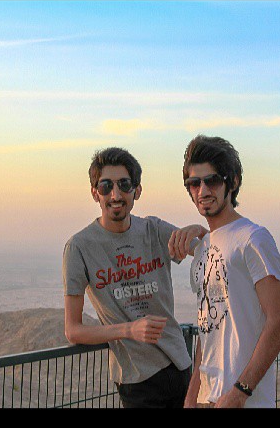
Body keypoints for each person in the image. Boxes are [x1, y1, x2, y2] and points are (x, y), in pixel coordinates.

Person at [62, 147, 206, 408]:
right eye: (106, 186)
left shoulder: (153, 229)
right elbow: (73, 330)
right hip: (137, 379)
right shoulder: (79, 248)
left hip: (181, 364)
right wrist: (129, 330)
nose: (115, 195)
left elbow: (207, 253)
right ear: (95, 193)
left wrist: (202, 232)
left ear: (137, 191)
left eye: (124, 185)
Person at [169, 135, 280, 408]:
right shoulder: (203, 248)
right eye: (194, 183)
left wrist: (240, 392)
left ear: (232, 182)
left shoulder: (254, 238)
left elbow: (279, 321)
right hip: (208, 399)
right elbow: (208, 328)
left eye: (212, 180)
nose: (202, 191)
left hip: (243, 400)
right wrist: (191, 397)